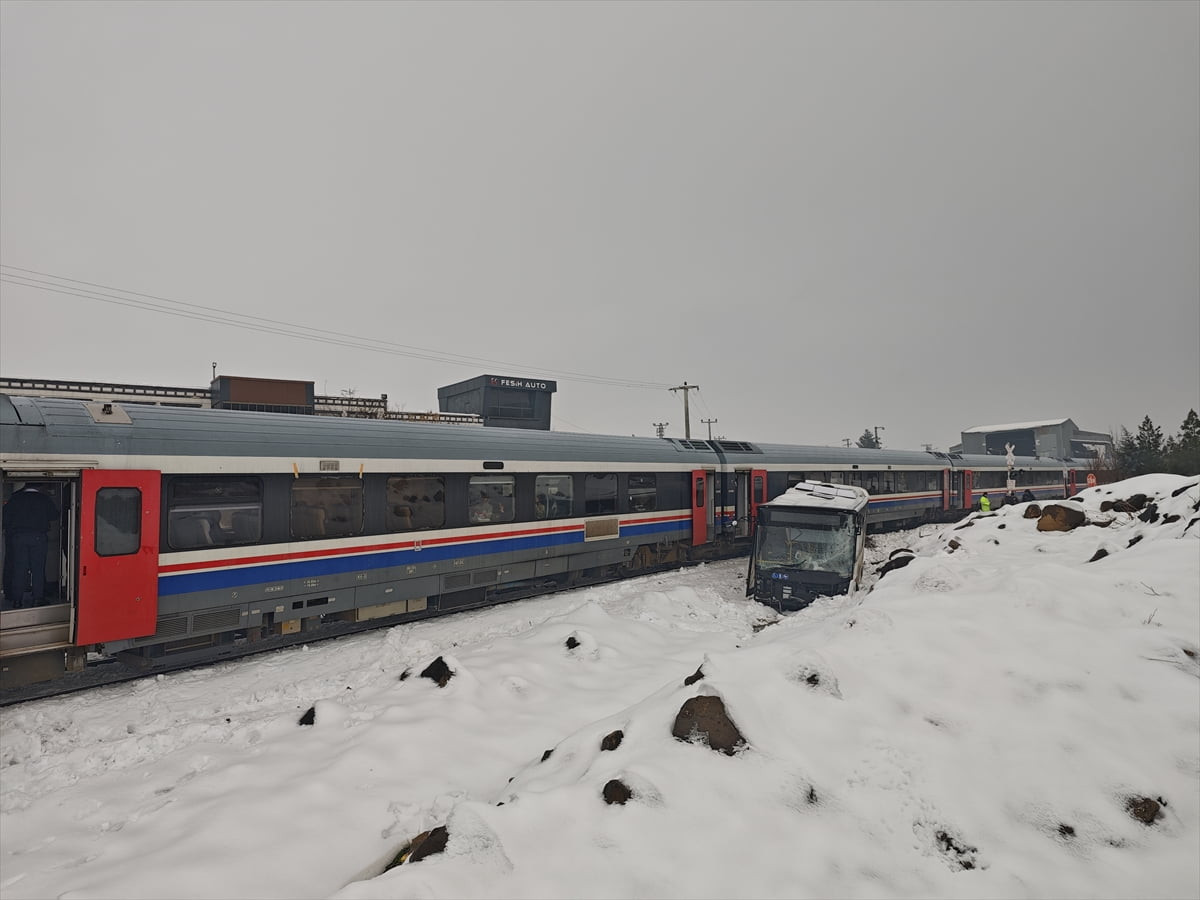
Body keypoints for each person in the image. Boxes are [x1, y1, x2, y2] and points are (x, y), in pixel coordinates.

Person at [3, 482, 60, 609]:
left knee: (19, 569)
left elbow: (5, 516)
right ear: (40, 487)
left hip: (18, 537)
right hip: (38, 537)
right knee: (37, 569)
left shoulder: (15, 498)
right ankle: (37, 599)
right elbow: (54, 515)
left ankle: (17, 600)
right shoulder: (44, 499)